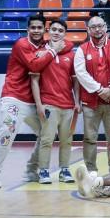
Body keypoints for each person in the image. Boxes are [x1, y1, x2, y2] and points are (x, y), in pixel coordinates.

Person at [0, 15, 71, 188]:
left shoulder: (44, 47)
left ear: (44, 30)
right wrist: (52, 51)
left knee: (46, 134)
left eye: (40, 28)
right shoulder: (22, 44)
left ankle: (31, 170)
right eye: (33, 28)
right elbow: (34, 66)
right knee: (7, 132)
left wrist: (55, 48)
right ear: (28, 30)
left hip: (34, 101)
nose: (36, 31)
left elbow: (66, 45)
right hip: (14, 97)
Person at [29, 19, 81, 184]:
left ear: (65, 34)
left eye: (60, 30)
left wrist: (77, 102)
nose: (56, 32)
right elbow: (34, 81)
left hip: (68, 105)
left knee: (66, 140)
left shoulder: (72, 55)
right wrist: (39, 104)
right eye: (53, 29)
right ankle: (43, 171)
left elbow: (75, 82)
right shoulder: (40, 53)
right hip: (49, 104)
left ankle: (64, 170)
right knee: (47, 140)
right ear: (48, 31)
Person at [74, 16, 110, 173]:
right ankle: (91, 171)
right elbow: (80, 73)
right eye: (93, 27)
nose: (97, 29)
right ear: (88, 30)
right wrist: (99, 89)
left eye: (100, 26)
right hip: (90, 102)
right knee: (90, 138)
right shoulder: (82, 50)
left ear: (106, 27)